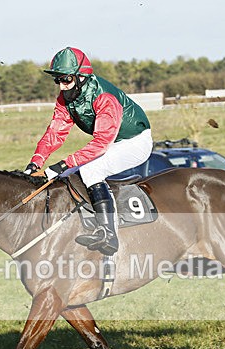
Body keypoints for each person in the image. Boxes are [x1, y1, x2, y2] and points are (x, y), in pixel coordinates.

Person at [24, 47, 153, 255]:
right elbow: (55, 132)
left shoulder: (104, 97)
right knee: (64, 176)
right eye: (57, 80)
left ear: (81, 76)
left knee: (90, 170)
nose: (62, 86)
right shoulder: (65, 98)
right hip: (113, 142)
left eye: (66, 79)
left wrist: (63, 163)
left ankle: (109, 234)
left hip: (135, 141)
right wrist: (35, 163)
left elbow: (101, 142)